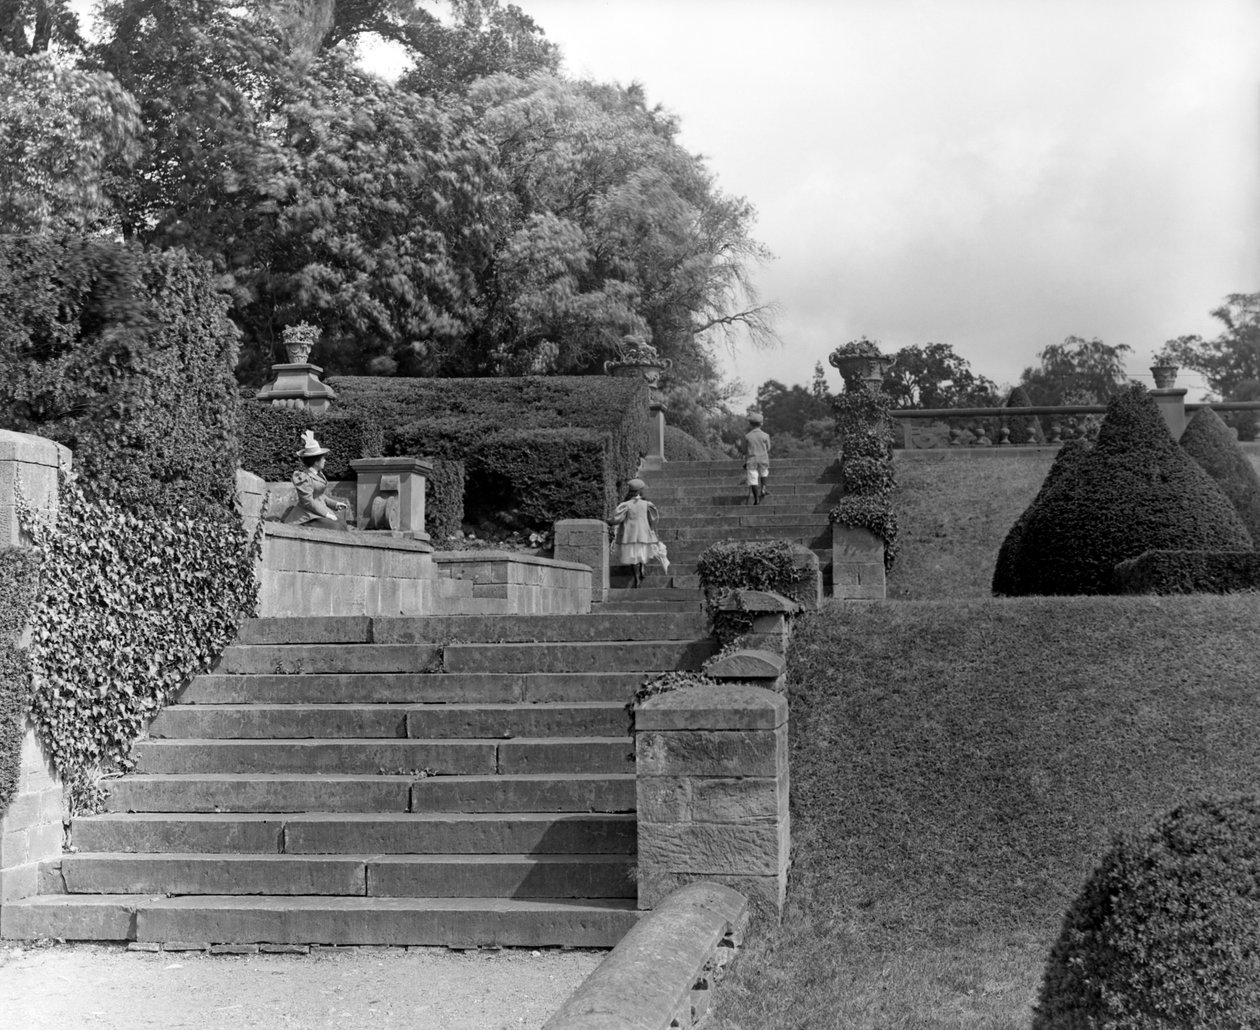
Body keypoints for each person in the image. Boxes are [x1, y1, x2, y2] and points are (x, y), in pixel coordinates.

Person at [283, 430, 350, 530]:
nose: (325, 461)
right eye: (323, 458)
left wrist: (334, 504)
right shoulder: (304, 477)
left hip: (316, 513)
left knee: (342, 524)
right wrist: (326, 513)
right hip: (306, 517)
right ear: (316, 462)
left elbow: (319, 496)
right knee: (336, 526)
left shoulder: (318, 475)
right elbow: (308, 502)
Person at [610, 478, 666, 587]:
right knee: (642, 554)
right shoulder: (647, 504)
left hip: (630, 534)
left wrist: (610, 521)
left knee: (633, 556)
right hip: (644, 534)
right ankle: (641, 569)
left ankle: (636, 576)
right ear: (640, 491)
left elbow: (617, 518)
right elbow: (654, 519)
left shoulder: (626, 505)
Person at [742, 412, 772, 505]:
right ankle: (763, 489)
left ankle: (756, 499)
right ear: (761, 423)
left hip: (752, 460)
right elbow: (768, 448)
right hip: (763, 459)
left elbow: (744, 449)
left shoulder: (747, 436)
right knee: (764, 472)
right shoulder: (765, 435)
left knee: (753, 477)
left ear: (750, 424)